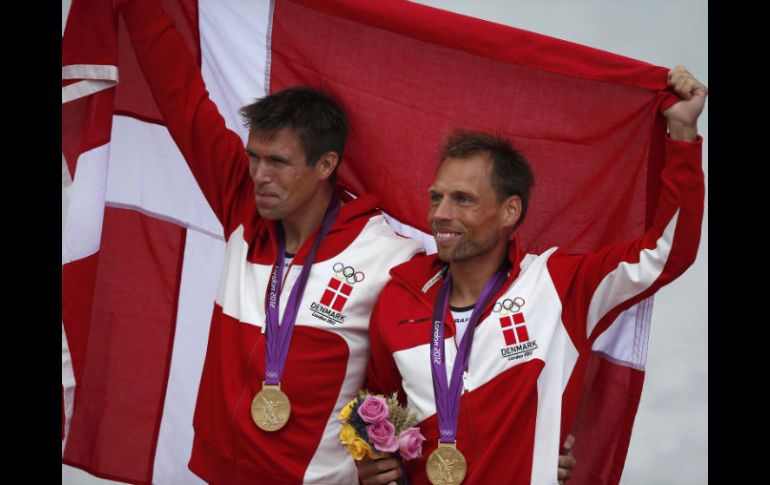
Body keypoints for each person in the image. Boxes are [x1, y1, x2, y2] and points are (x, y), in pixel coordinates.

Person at [116, 0, 581, 482]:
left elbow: (455, 358)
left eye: (278, 162)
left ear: (325, 165)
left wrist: (533, 443)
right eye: (255, 158)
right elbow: (179, 95)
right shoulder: (243, 208)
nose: (260, 175)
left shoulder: (389, 256)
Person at [360, 65, 706, 484]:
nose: (440, 214)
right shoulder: (398, 299)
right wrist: (371, 467)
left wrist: (682, 134)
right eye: (437, 197)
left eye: (463, 199)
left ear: (510, 211)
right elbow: (377, 413)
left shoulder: (559, 285)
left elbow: (664, 253)